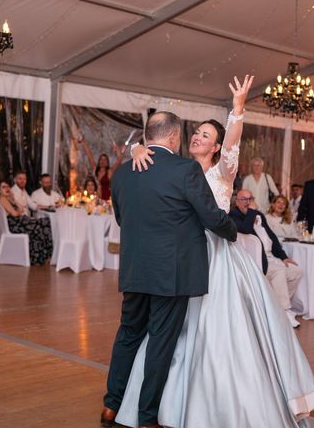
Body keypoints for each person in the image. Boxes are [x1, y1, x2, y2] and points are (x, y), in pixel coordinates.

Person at [119, 75, 314, 428]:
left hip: (214, 258)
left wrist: (237, 110)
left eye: (206, 136)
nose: (197, 136)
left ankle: (209, 406)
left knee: (212, 331)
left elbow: (233, 145)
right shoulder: (177, 167)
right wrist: (136, 147)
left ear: (216, 148)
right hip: (177, 260)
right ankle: (159, 403)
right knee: (169, 333)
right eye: (196, 132)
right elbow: (153, 153)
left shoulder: (223, 172)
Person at [101, 111, 237, 428]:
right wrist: (233, 232)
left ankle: (111, 405)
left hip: (135, 269)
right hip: (171, 272)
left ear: (149, 135)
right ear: (174, 137)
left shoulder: (121, 173)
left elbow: (122, 219)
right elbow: (211, 217)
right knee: (161, 343)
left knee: (128, 335)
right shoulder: (186, 169)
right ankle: (147, 418)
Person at [231, 189, 303, 328]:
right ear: (237, 201)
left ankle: (277, 308)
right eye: (244, 199)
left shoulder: (259, 215)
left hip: (271, 257)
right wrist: (251, 211)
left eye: (250, 199)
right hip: (256, 260)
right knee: (279, 272)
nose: (248, 202)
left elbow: (271, 236)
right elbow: (245, 229)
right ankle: (285, 311)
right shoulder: (233, 215)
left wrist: (284, 257)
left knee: (296, 271)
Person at [0, 180, 52, 265]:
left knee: (44, 223)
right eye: (3, 187)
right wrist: (18, 213)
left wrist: (13, 199)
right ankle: (42, 256)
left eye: (8, 186)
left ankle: (41, 256)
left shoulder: (7, 199)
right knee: (45, 223)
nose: (7, 188)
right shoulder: (2, 199)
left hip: (19, 222)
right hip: (16, 225)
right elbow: (15, 214)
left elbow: (21, 209)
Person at [79, 136, 125, 201]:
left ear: (107, 162)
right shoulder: (95, 169)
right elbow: (89, 155)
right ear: (98, 161)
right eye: (101, 159)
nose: (103, 161)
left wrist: (117, 150)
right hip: (94, 198)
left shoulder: (109, 172)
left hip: (106, 199)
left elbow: (119, 160)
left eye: (105, 160)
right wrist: (83, 142)